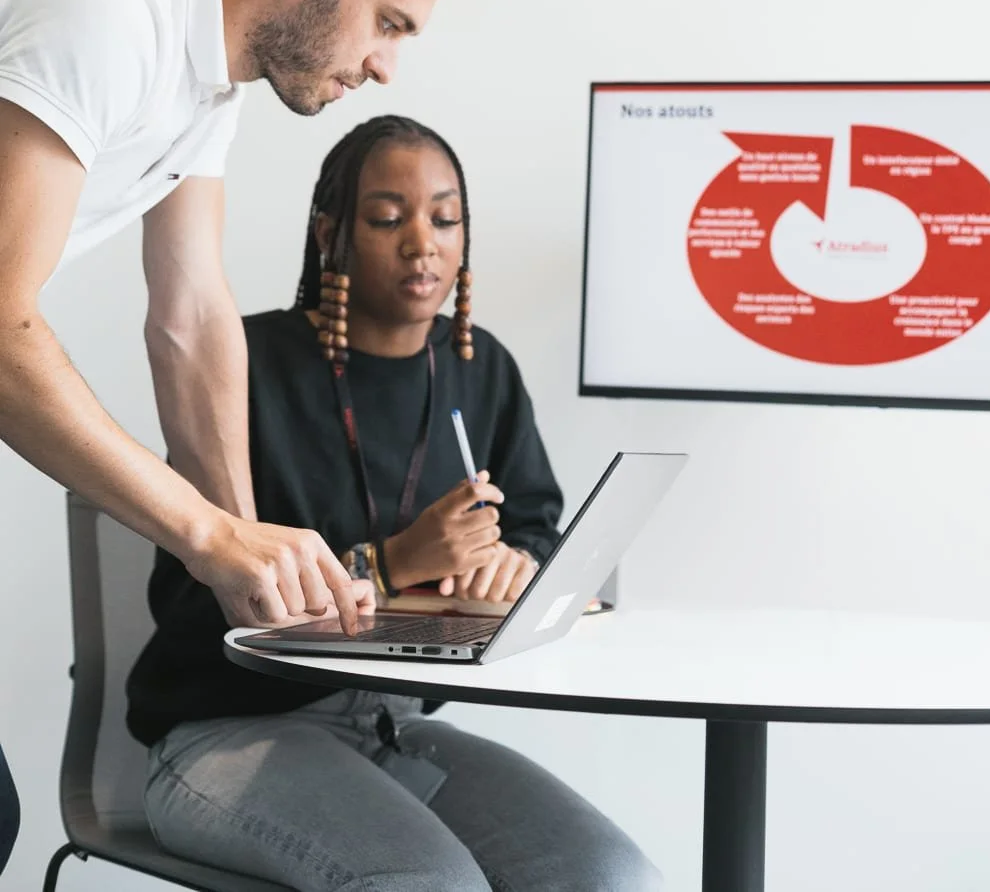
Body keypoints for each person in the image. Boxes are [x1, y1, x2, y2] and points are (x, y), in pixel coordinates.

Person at [0, 0, 472, 878]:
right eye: (387, 22)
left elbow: (191, 314)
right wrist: (206, 534)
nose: (386, 65)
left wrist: (250, 557)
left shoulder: (208, 77)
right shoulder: (104, 12)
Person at [126, 116, 664, 892]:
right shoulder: (243, 364)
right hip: (225, 732)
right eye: (386, 219)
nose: (423, 245)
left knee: (612, 877)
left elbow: (538, 527)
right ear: (330, 234)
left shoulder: (481, 370)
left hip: (389, 726)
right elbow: (195, 599)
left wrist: (515, 566)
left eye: (445, 220)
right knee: (431, 884)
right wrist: (392, 563)